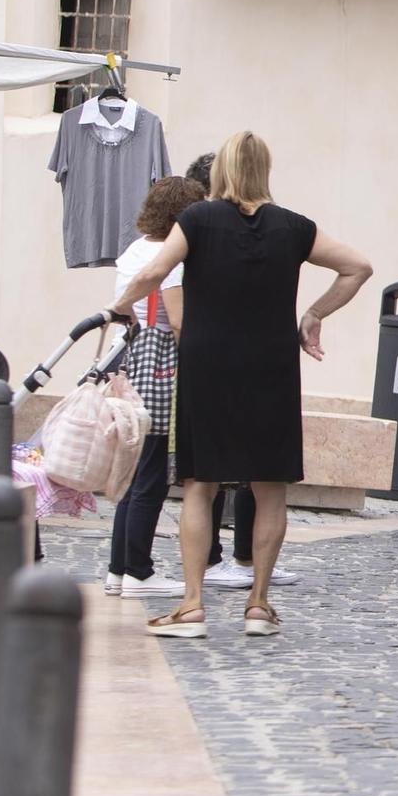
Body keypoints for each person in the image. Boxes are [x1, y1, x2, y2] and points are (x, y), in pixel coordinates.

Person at [110, 131, 373, 638]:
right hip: (271, 363)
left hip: (207, 362)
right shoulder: (295, 227)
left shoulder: (197, 220)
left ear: (221, 171)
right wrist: (314, 314)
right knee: (269, 485)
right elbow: (358, 267)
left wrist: (119, 306)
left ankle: (191, 605)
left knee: (199, 484)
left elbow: (156, 270)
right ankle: (257, 604)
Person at [103, 175, 207, 599]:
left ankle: (117, 569)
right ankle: (139, 571)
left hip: (128, 367)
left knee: (133, 475)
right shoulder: (171, 259)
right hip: (159, 371)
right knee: (150, 475)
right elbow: (178, 321)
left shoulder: (134, 250)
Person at [185, 151, 268, 589]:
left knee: (214, 476)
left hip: (212, 360)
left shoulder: (201, 228)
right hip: (238, 362)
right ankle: (237, 574)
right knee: (228, 476)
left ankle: (216, 577)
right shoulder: (200, 225)